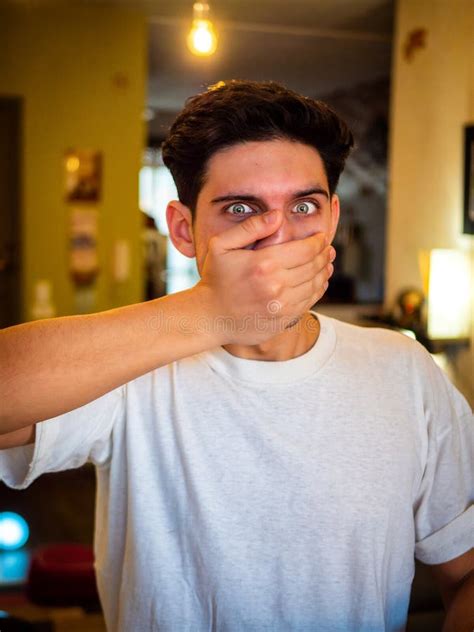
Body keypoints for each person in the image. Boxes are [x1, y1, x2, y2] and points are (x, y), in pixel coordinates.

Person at [0, 80, 472, 632]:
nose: (276, 238)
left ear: (333, 219)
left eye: (303, 205)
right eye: (241, 209)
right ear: (184, 229)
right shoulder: (133, 371)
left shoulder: (405, 372)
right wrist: (213, 311)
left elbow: (465, 573)